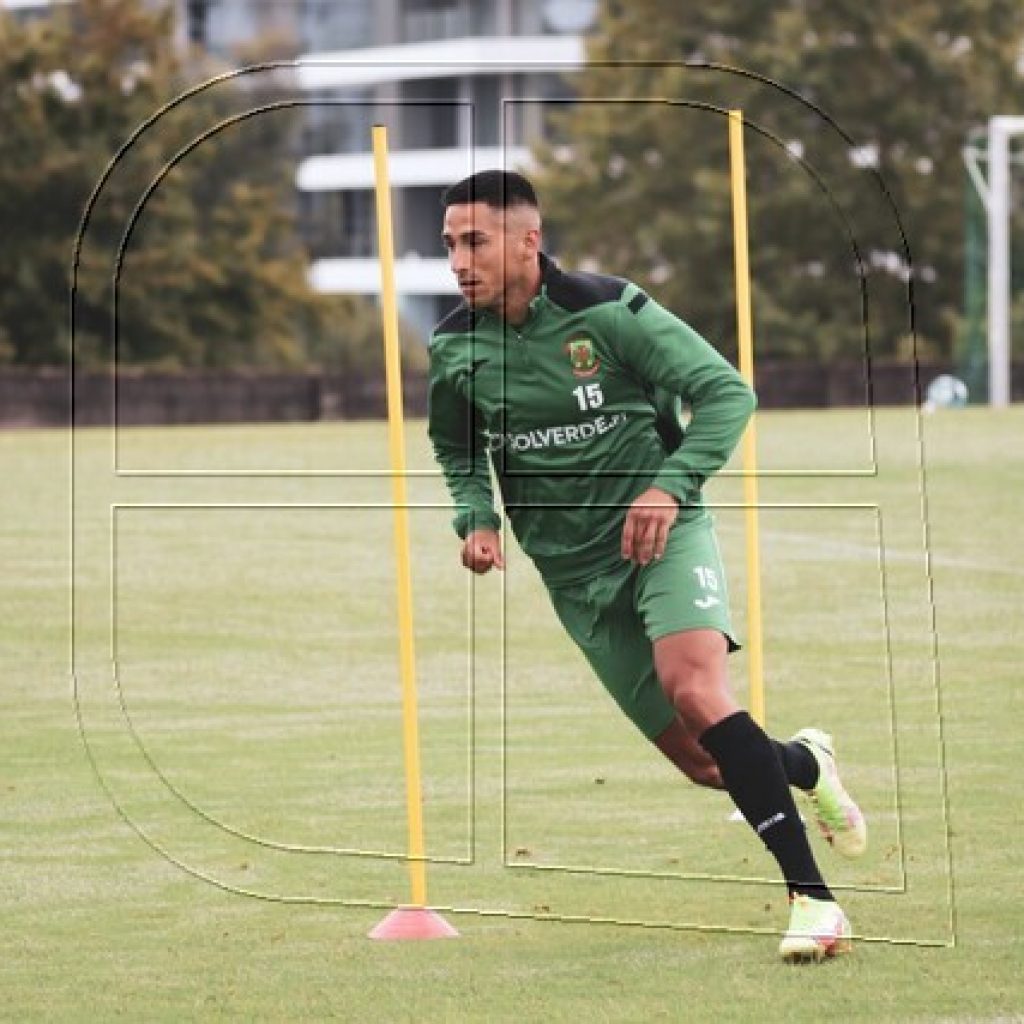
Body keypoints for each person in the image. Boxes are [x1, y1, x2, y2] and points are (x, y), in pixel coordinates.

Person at [427, 169, 866, 962]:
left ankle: (814, 902)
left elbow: (727, 393)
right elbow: (455, 448)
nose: (460, 260)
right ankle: (806, 762)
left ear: (529, 239)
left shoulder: (611, 311)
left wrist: (669, 485)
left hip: (665, 537)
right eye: (451, 243)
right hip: (572, 578)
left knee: (695, 690)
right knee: (705, 764)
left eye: (476, 241)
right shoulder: (454, 345)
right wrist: (478, 518)